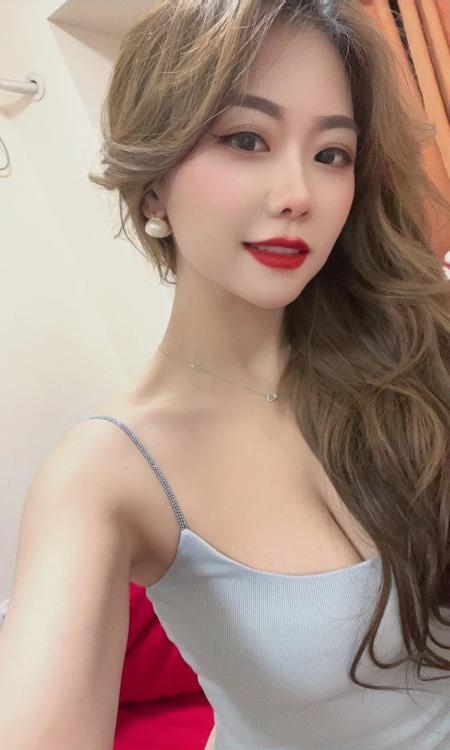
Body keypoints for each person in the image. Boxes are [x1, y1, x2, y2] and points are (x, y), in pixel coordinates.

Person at [1, 1, 449, 749]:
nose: (298, 193)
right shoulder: (108, 472)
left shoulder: (416, 348)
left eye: (331, 153)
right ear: (153, 185)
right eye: (246, 139)